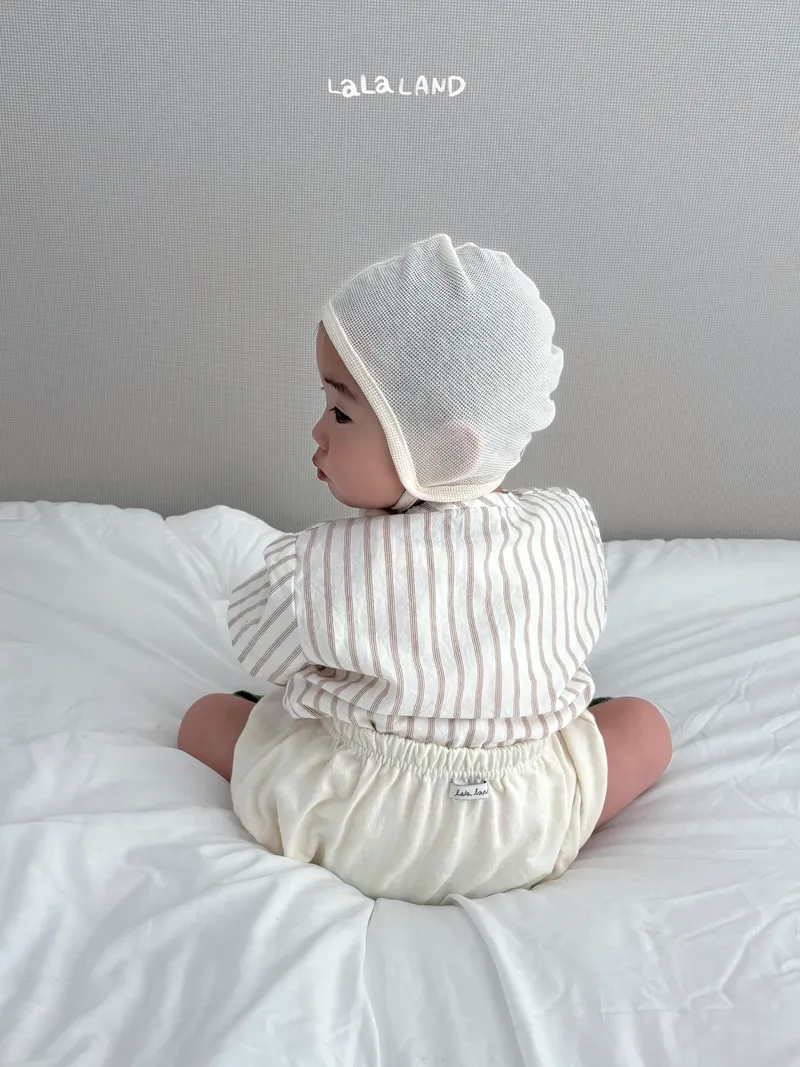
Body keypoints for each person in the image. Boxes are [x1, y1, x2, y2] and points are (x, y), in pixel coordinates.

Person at [177, 233, 672, 905]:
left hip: (355, 822)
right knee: (643, 725)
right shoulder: (566, 527)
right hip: (523, 825)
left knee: (212, 716)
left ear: (448, 449)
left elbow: (259, 649)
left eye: (340, 410)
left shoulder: (318, 567)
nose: (317, 431)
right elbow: (571, 646)